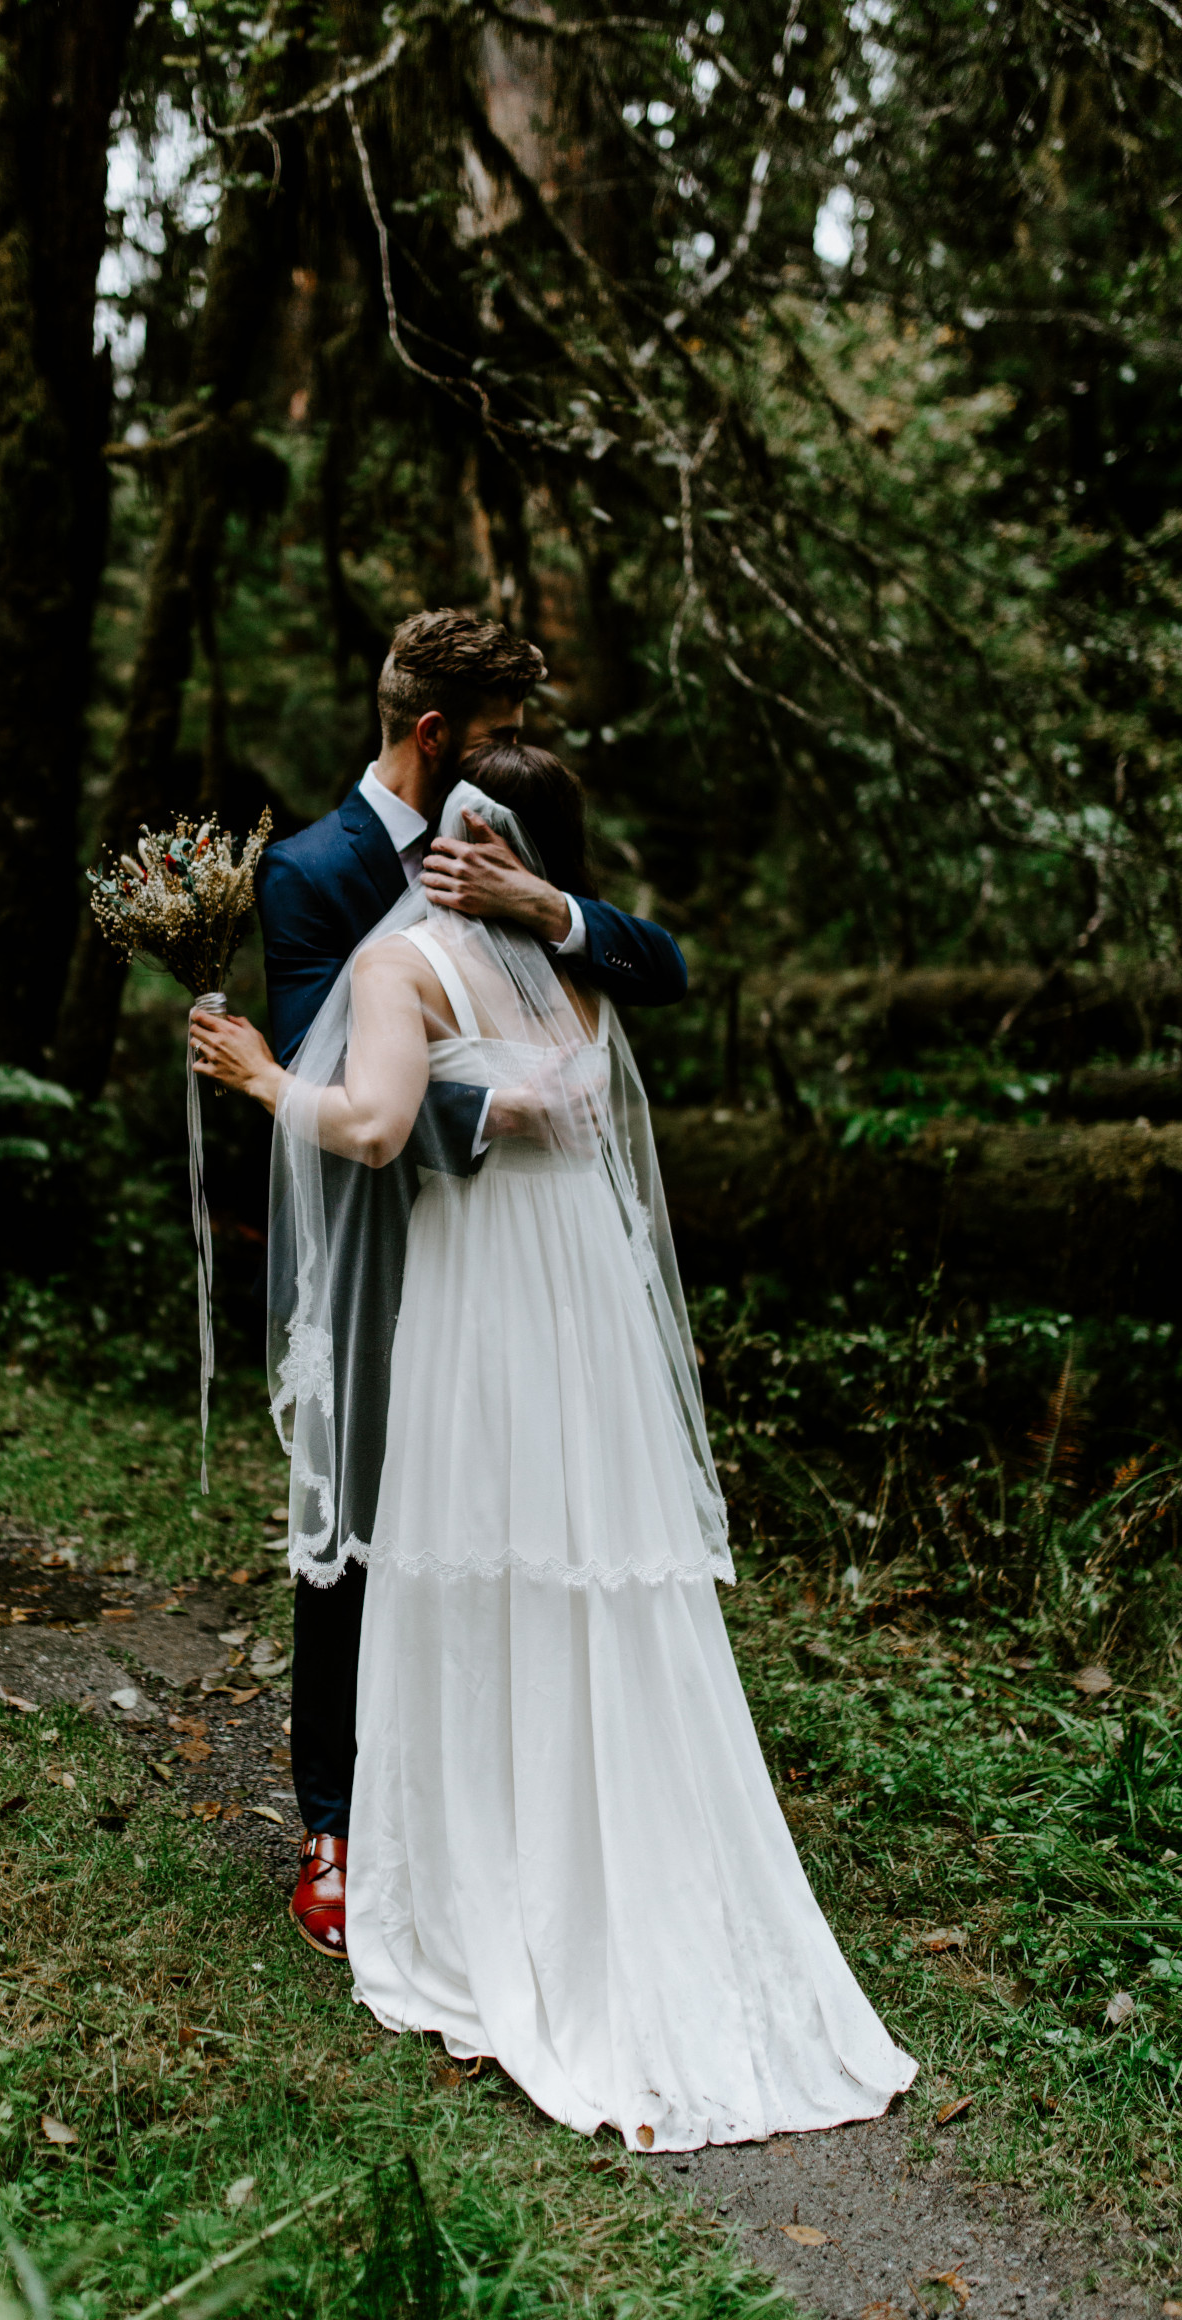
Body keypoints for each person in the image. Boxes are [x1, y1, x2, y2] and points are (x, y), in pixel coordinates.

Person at [189, 741, 917, 2153]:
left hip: (483, 1305)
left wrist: (264, 1078)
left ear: (485, 847)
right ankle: (614, 1850)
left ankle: (480, 1873)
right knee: (590, 1557)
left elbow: (375, 1124)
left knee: (472, 1554)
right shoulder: (572, 971)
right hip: (590, 1302)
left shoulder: (411, 966)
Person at [242, 609, 688, 1958]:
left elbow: (653, 966)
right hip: (384, 1234)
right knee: (357, 1510)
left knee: (501, 1509)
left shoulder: (510, 845)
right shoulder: (313, 873)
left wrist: (543, 906)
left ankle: (499, 1796)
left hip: (510, 1257)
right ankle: (336, 1818)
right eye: (496, 736)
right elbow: (331, 1078)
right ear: (436, 735)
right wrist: (502, 1113)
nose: (517, 758)